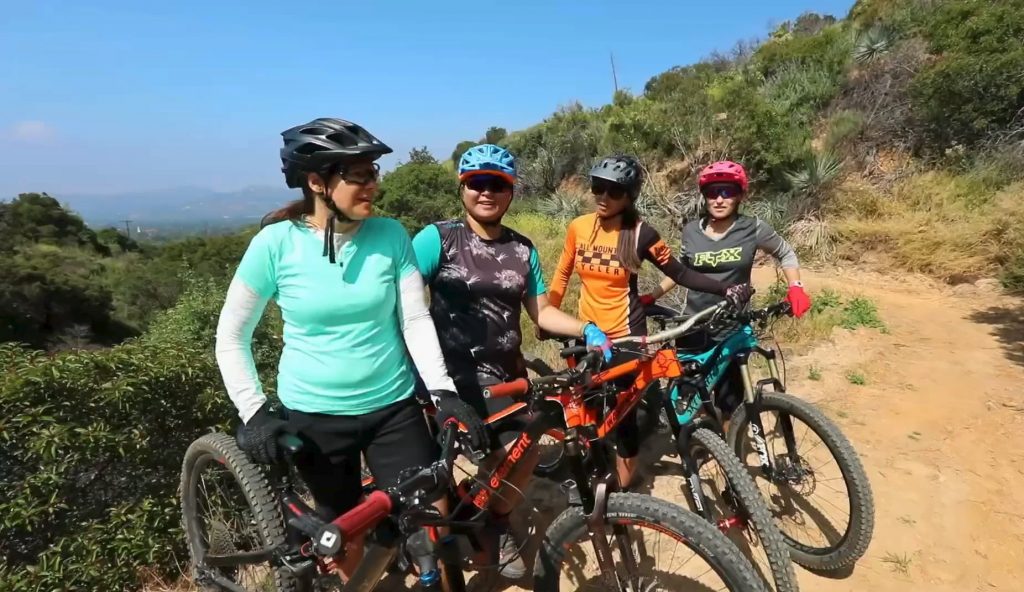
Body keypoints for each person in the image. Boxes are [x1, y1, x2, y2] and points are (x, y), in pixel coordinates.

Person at [214, 118, 483, 582]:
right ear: (317, 182)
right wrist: (254, 413)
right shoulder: (274, 245)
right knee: (345, 543)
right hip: (316, 417)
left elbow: (414, 318)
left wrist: (443, 393)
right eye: (359, 175)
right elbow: (231, 336)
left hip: (393, 409)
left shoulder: (391, 235)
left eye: (375, 173)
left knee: (429, 524)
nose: (373, 185)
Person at [412, 143, 611, 579]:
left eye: (497, 184)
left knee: (520, 454)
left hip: (506, 378)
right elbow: (402, 306)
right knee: (437, 487)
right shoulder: (437, 239)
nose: (487, 192)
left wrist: (587, 329)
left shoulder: (522, 250)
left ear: (511, 191)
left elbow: (541, 312)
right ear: (463, 187)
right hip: (446, 381)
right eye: (477, 183)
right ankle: (448, 552)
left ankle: (493, 518)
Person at [547, 154, 753, 490]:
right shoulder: (579, 227)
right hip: (585, 332)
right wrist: (549, 315)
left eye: (613, 191)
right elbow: (562, 275)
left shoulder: (641, 233)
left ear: (628, 195)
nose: (602, 196)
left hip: (626, 336)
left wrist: (725, 288)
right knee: (589, 408)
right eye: (597, 187)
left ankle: (623, 492)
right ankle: (595, 464)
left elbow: (680, 272)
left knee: (622, 418)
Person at [643, 160, 812, 413]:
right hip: (694, 326)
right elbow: (681, 272)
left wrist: (795, 287)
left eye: (727, 191)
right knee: (690, 400)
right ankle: (697, 444)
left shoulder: (753, 228)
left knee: (730, 402)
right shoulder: (691, 231)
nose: (719, 199)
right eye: (712, 192)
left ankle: (730, 447)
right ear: (704, 197)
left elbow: (786, 253)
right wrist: (652, 295)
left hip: (733, 326)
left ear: (740, 195)